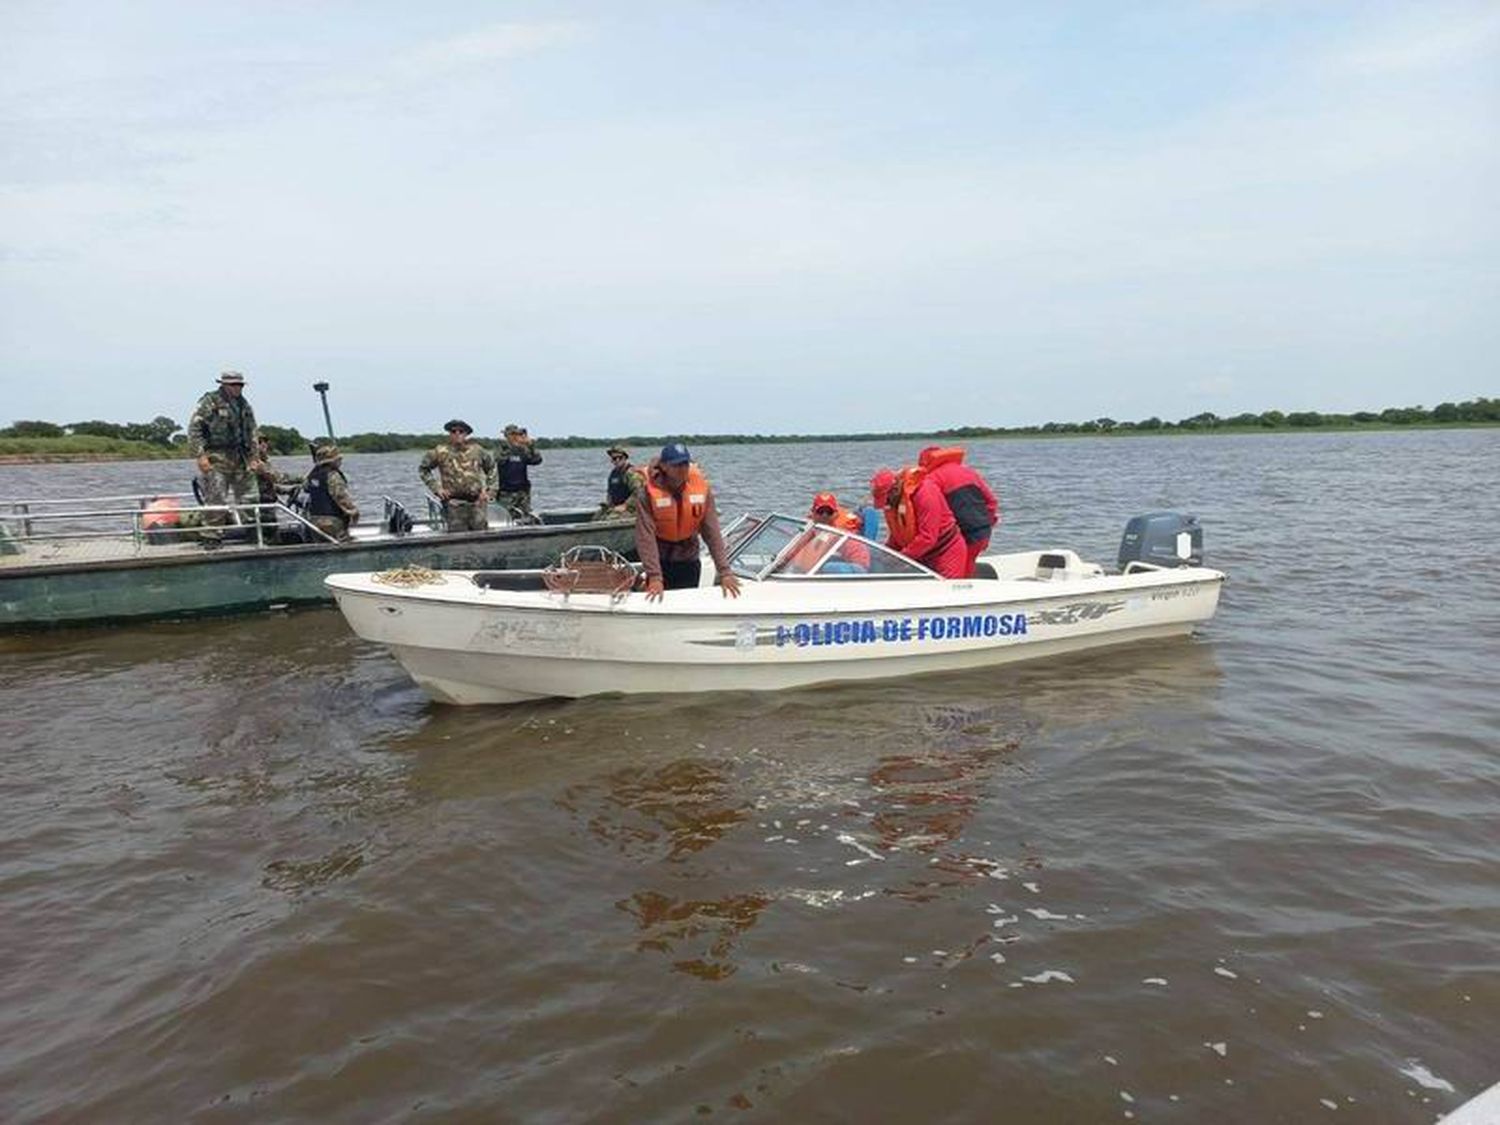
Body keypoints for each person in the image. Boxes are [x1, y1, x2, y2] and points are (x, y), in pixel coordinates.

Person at [635, 442, 743, 601]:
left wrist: (725, 572)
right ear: (664, 466)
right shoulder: (647, 494)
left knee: (686, 599)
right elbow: (645, 537)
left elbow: (712, 532)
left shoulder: (702, 489)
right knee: (659, 600)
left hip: (689, 557)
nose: (682, 469)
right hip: (661, 558)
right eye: (677, 465)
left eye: (685, 464)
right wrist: (655, 577)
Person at [187, 370, 263, 542]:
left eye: (240, 384)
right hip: (217, 455)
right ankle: (211, 534)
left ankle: (252, 530)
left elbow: (252, 430)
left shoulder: (244, 404)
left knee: (250, 495)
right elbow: (195, 429)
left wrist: (254, 456)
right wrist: (200, 456)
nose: (238, 388)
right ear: (224, 384)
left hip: (240, 456)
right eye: (234, 384)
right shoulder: (210, 402)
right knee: (216, 495)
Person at [870, 466, 968, 579]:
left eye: (886, 499)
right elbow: (897, 537)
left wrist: (900, 559)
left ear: (895, 489)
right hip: (921, 555)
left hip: (946, 551)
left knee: (945, 592)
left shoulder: (925, 493)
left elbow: (928, 537)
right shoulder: (895, 502)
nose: (886, 504)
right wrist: (885, 555)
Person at [918, 446, 1000, 577]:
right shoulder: (970, 472)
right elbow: (991, 502)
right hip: (983, 532)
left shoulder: (932, 479)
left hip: (961, 536)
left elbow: (933, 512)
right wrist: (988, 525)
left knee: (958, 575)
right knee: (968, 566)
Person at [419, 419, 498, 532]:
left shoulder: (477, 450)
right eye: (453, 431)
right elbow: (423, 469)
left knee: (480, 536)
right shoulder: (440, 451)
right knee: (457, 537)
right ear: (449, 434)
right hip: (453, 504)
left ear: (466, 434)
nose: (457, 434)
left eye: (461, 431)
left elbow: (492, 467)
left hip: (477, 503)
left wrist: (490, 491)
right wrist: (437, 489)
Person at [303, 441, 359, 541]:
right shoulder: (333, 476)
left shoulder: (312, 476)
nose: (340, 461)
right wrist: (354, 512)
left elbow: (306, 488)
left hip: (314, 521)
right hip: (331, 523)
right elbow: (340, 496)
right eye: (338, 459)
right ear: (332, 461)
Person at [809, 490, 870, 570]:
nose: (824, 515)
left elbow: (861, 562)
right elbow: (791, 554)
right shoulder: (807, 532)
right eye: (820, 511)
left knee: (830, 568)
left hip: (856, 573)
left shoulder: (843, 533)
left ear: (836, 514)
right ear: (813, 513)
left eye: (829, 512)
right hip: (808, 576)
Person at [495, 423, 543, 521]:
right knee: (506, 518)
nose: (515, 437)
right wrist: (512, 447)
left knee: (525, 518)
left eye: (516, 434)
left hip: (522, 492)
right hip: (506, 492)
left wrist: (531, 446)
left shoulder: (523, 450)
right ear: (506, 436)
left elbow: (536, 460)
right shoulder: (501, 448)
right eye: (512, 435)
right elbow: (499, 459)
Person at [598, 444, 645, 518]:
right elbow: (610, 492)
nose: (617, 460)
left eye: (620, 457)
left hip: (631, 510)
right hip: (616, 507)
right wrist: (609, 504)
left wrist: (625, 505)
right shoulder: (613, 473)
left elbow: (639, 492)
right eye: (614, 458)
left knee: (610, 518)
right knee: (598, 515)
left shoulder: (631, 473)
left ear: (625, 458)